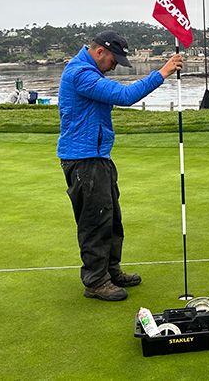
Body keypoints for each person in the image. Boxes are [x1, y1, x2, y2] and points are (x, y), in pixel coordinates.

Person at [58, 30, 183, 301]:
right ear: (99, 52)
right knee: (95, 221)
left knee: (111, 217)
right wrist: (162, 72)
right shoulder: (81, 74)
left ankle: (110, 271)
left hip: (97, 156)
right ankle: (95, 281)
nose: (115, 66)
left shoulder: (91, 72)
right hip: (84, 159)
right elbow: (125, 96)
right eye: (114, 60)